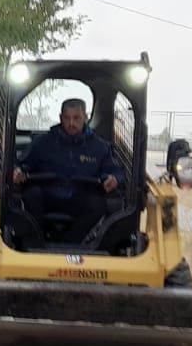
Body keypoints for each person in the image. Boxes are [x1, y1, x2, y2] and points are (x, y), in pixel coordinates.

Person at [10, 98, 125, 243]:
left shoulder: (100, 147)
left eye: (76, 118)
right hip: (48, 195)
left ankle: (70, 243)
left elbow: (116, 172)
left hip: (80, 197)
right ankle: (37, 242)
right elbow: (20, 164)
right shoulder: (42, 143)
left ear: (85, 117)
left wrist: (114, 179)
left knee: (98, 204)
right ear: (60, 118)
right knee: (31, 194)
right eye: (67, 118)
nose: (71, 123)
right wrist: (17, 171)